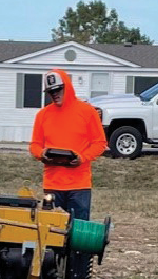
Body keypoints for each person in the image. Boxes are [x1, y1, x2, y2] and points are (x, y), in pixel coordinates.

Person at [29, 68, 107, 221]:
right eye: (51, 92)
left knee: (78, 231)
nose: (55, 94)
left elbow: (100, 143)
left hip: (79, 186)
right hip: (52, 184)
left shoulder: (87, 111)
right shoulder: (43, 115)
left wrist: (82, 158)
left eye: (58, 89)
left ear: (67, 87)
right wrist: (41, 154)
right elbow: (35, 145)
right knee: (51, 230)